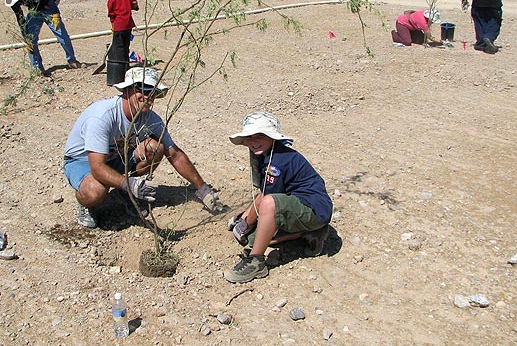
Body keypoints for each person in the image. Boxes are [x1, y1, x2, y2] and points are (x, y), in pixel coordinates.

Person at [63, 67, 223, 228]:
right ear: (127, 90)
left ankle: (125, 193)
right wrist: (128, 183)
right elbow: (97, 167)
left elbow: (175, 155)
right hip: (83, 162)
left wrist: (202, 188)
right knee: (95, 191)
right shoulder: (102, 117)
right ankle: (87, 204)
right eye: (142, 90)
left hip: (117, 157)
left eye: (152, 92)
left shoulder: (150, 118)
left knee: (156, 147)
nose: (147, 97)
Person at [223, 112, 333, 283]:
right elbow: (262, 192)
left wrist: (244, 224)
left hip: (314, 209)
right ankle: (308, 232)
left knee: (268, 206)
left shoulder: (278, 162)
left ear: (272, 137)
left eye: (259, 135)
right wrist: (243, 220)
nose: (253, 141)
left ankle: (256, 262)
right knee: (254, 238)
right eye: (249, 137)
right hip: (299, 206)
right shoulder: (268, 154)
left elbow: (266, 198)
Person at [1, 0, 81, 76]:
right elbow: (19, 16)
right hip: (34, 9)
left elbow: (49, 0)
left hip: (50, 4)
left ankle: (72, 60)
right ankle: (37, 68)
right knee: (30, 40)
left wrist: (55, 14)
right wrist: (24, 32)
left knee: (61, 34)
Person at [99, 0, 139, 84]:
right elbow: (134, 2)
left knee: (118, 48)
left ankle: (121, 70)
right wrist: (133, 7)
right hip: (128, 26)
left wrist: (113, 27)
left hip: (119, 26)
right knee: (126, 46)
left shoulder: (111, 1)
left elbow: (112, 16)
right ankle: (126, 65)